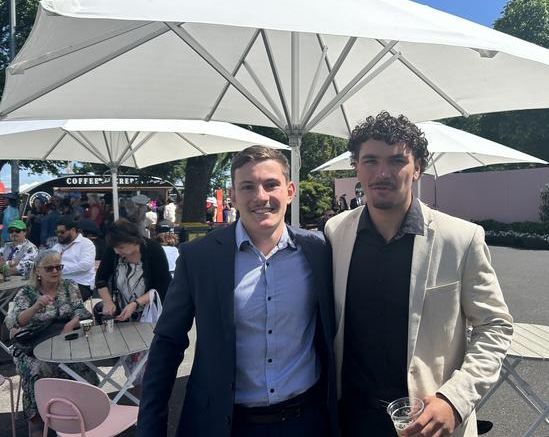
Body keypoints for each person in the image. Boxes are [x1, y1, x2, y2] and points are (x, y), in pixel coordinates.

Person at [325, 112, 513, 437]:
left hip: (428, 422)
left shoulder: (461, 239)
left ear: (417, 169)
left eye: (397, 160)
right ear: (355, 166)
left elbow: (494, 327)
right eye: (370, 160)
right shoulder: (335, 232)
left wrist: (454, 400)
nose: (382, 173)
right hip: (351, 420)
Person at [137, 145, 338, 437]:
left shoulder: (319, 250)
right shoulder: (199, 258)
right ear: (233, 195)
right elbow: (167, 344)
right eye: (248, 187)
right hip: (228, 424)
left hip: (307, 420)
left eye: (271, 185)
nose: (260, 197)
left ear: (290, 191)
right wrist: (150, 429)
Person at [4, 249, 95, 437]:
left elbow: (81, 310)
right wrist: (36, 306)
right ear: (38, 271)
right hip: (31, 345)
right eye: (50, 268)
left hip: (63, 340)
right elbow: (15, 321)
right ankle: (38, 424)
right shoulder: (27, 292)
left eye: (58, 267)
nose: (55, 271)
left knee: (83, 368)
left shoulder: (69, 286)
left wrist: (70, 325)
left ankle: (79, 419)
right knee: (40, 371)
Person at [95, 219, 171, 322]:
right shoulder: (113, 250)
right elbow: (100, 279)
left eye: (121, 247)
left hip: (150, 313)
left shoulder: (153, 250)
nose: (116, 251)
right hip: (121, 313)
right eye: (114, 248)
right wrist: (108, 301)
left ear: (134, 241)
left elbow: (163, 285)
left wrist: (136, 303)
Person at [52, 216, 96, 301]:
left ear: (72, 230)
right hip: (58, 283)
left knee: (60, 301)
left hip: (80, 284)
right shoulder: (57, 246)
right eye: (57, 232)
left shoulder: (86, 244)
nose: (59, 235)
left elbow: (85, 265)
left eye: (62, 232)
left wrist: (60, 269)